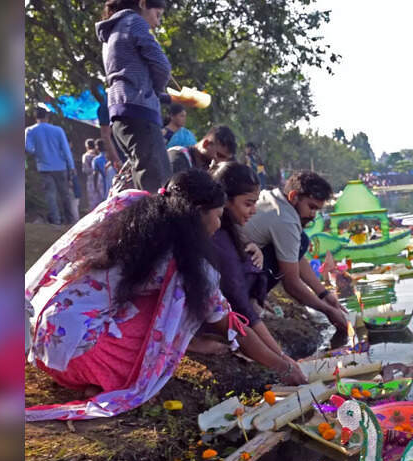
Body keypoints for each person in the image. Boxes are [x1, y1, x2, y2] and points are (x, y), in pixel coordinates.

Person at [26, 170, 303, 422]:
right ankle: (110, 376)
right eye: (218, 215)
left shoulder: (129, 206)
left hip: (41, 338)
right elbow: (233, 326)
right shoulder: (187, 263)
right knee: (172, 300)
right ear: (196, 213)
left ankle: (98, 371)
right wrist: (283, 366)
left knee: (151, 296)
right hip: (78, 354)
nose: (219, 224)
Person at [207, 162, 307, 377]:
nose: (253, 211)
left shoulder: (229, 231)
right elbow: (241, 309)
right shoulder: (219, 239)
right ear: (225, 201)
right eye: (248, 204)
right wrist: (282, 361)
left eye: (255, 203)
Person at [241, 171, 348, 332]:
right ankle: (249, 299)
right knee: (302, 240)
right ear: (293, 196)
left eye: (317, 210)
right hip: (235, 275)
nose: (313, 215)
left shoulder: (273, 196)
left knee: (302, 241)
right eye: (311, 207)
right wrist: (328, 311)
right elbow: (291, 284)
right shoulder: (286, 220)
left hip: (237, 264)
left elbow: (294, 256)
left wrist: (325, 294)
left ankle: (253, 296)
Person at [97, 0, 172, 194]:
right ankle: (156, 224)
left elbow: (131, 77)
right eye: (158, 15)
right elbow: (162, 66)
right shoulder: (134, 21)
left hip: (120, 115)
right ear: (143, 3)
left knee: (143, 183)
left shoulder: (112, 32)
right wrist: (155, 91)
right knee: (159, 186)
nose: (158, 23)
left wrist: (160, 95)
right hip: (141, 113)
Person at [25, 107, 77, 224]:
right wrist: (72, 166)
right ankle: (70, 220)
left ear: (35, 117)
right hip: (60, 166)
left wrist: (37, 152)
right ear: (47, 117)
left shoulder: (30, 130)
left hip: (44, 167)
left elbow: (27, 147)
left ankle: (56, 220)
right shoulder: (58, 130)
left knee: (50, 195)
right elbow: (66, 149)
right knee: (65, 194)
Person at [168, 124, 236, 174]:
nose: (221, 162)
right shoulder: (178, 157)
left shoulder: (207, 168)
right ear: (205, 144)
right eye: (219, 155)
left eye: (226, 160)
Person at [81, 139, 100, 213]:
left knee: (92, 196)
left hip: (91, 178)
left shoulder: (86, 156)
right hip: (101, 177)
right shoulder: (98, 155)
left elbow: (85, 169)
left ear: (87, 146)